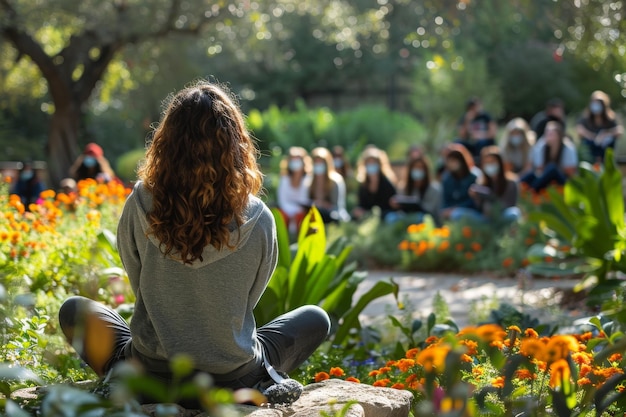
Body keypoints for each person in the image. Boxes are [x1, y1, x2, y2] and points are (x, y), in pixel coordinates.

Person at [58, 81, 331, 406]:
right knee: (316, 318)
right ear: (236, 143)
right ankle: (257, 382)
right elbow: (249, 297)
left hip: (151, 372)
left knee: (73, 310)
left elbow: (139, 282)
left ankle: (124, 380)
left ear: (167, 142)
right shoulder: (259, 217)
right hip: (232, 375)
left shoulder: (140, 203)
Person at [521, 121, 578, 192]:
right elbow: (539, 169)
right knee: (530, 175)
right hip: (545, 178)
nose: (548, 136)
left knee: (552, 168)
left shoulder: (568, 148)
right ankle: (518, 188)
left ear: (558, 135)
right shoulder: (541, 147)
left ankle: (532, 190)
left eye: (551, 134)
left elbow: (570, 173)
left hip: (564, 181)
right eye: (547, 133)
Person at [470, 146, 521, 224]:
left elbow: (509, 204)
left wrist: (490, 196)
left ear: (500, 163)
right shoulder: (481, 183)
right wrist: (476, 197)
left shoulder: (511, 182)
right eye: (487, 163)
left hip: (502, 217)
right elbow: (479, 208)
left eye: (493, 162)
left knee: (514, 213)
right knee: (459, 214)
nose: (490, 165)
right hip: (485, 220)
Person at [389, 155, 442, 225]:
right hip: (406, 216)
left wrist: (418, 205)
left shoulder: (434, 189)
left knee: (419, 218)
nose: (417, 171)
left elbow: (431, 211)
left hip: (426, 219)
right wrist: (396, 205)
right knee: (391, 217)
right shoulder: (404, 188)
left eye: (420, 168)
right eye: (415, 168)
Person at [575, 90, 624, 163]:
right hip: (591, 151)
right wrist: (593, 137)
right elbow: (579, 130)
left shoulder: (610, 119)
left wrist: (605, 134)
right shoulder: (586, 118)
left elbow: (619, 130)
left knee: (609, 141)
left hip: (605, 150)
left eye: (598, 102)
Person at [352, 146, 398, 222]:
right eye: (369, 163)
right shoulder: (363, 184)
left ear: (379, 164)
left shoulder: (387, 183)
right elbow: (361, 204)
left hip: (385, 215)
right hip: (368, 216)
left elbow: (393, 203)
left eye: (374, 162)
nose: (371, 165)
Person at [439, 143, 481, 222]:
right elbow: (445, 200)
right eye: (450, 161)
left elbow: (473, 201)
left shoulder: (474, 176)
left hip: (471, 213)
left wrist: (456, 208)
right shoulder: (447, 179)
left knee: (457, 214)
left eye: (455, 160)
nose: (452, 164)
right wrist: (446, 210)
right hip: (452, 212)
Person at [308, 147, 351, 223]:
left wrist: (324, 205)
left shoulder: (335, 181)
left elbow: (338, 207)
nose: (318, 165)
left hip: (333, 215)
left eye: (320, 163)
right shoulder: (310, 181)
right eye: (316, 163)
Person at [276, 146, 312, 234]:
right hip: (286, 212)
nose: (295, 162)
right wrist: (291, 214)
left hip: (301, 212)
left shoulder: (308, 179)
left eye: (298, 160)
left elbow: (304, 201)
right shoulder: (284, 179)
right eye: (293, 160)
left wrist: (295, 214)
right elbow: (282, 201)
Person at [456, 97, 498, 162]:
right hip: (471, 143)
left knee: (480, 143)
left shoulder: (486, 116)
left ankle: (479, 162)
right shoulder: (465, 118)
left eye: (476, 106)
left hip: (485, 142)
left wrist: (480, 135)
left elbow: (493, 133)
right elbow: (462, 135)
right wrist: (467, 121)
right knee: (457, 143)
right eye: (472, 107)